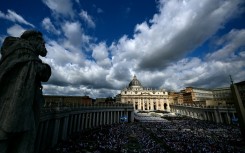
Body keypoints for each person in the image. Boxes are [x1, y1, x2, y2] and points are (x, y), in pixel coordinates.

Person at [0, 30, 51, 153]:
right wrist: (46, 68)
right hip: (15, 107)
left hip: (24, 108)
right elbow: (43, 72)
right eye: (40, 40)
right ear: (32, 39)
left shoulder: (28, 55)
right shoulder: (23, 50)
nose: (43, 43)